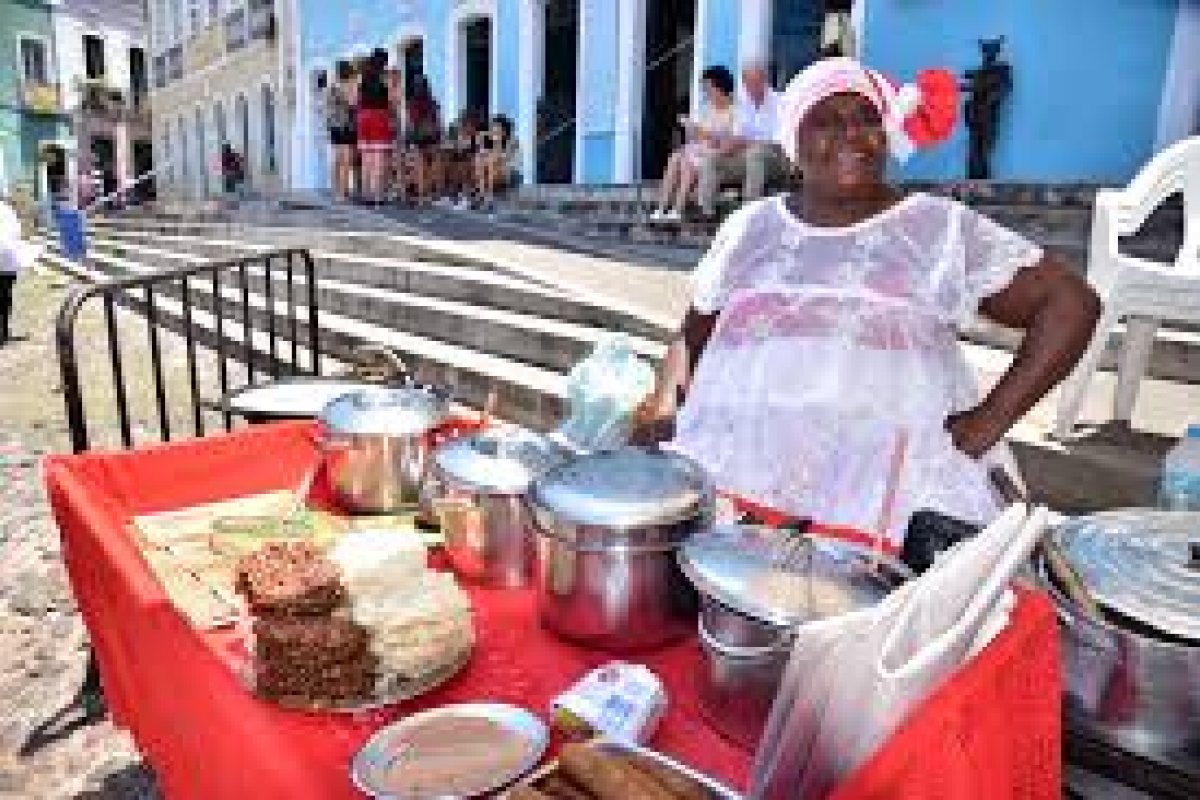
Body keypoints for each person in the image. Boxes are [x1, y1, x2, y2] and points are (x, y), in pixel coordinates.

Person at [632, 57, 1100, 542]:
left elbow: (1070, 304)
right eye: (826, 121)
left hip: (885, 498)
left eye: (867, 118)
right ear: (794, 143)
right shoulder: (750, 228)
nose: (852, 134)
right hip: (740, 477)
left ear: (890, 133)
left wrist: (986, 424)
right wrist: (667, 400)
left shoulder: (937, 229)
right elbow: (695, 330)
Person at [696, 58, 789, 218]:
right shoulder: (743, 105)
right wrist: (725, 148)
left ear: (764, 80)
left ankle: (748, 212)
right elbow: (738, 136)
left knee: (756, 152)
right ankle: (705, 211)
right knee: (712, 158)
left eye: (755, 82)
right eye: (747, 83)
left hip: (775, 158)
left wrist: (747, 142)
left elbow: (780, 141)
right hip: (745, 155)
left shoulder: (780, 102)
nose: (751, 88)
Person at [651, 66, 738, 222]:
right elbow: (699, 138)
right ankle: (661, 208)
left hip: (717, 155)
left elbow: (727, 143)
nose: (706, 93)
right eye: (705, 88)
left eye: (708, 88)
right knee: (676, 157)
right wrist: (692, 130)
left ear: (720, 87)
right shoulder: (709, 110)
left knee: (687, 163)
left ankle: (677, 209)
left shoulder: (735, 111)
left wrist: (701, 133)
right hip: (701, 151)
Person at [352, 48, 394, 204]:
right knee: (379, 157)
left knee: (366, 157)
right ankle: (378, 195)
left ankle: (366, 194)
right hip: (380, 116)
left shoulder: (362, 77)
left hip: (363, 116)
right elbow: (392, 99)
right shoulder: (386, 78)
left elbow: (356, 100)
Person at [0, 198, 41, 347]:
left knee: (5, 297)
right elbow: (9, 237)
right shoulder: (4, 210)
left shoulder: (5, 209)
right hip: (4, 261)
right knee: (4, 297)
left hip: (7, 259)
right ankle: (2, 334)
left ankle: (3, 332)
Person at [404, 73, 443, 205]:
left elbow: (410, 123)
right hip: (432, 136)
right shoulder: (433, 102)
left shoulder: (412, 103)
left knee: (420, 166)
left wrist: (409, 138)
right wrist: (439, 134)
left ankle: (422, 195)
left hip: (418, 137)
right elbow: (438, 121)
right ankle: (434, 194)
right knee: (434, 165)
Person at [326, 60, 358, 200]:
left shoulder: (332, 87)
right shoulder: (347, 86)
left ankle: (335, 189)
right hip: (346, 125)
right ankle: (343, 191)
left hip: (334, 125)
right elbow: (352, 103)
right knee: (346, 158)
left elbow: (328, 107)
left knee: (337, 158)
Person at [474, 115, 519, 209]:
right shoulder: (489, 147)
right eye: (492, 129)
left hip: (508, 177)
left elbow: (505, 159)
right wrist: (482, 138)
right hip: (491, 176)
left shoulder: (512, 143)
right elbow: (480, 154)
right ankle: (482, 195)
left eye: (496, 129)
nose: (493, 132)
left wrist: (494, 146)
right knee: (480, 159)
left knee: (490, 161)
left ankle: (486, 196)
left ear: (504, 132)